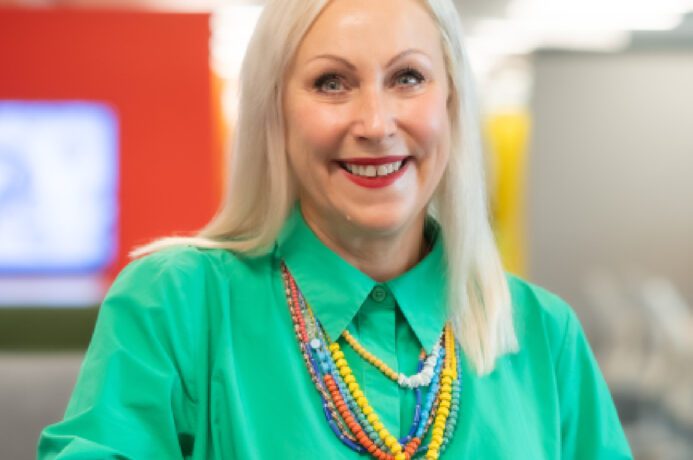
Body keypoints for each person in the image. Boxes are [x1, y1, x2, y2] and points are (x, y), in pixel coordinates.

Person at [38, 0, 633, 458]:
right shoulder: (179, 303)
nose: (376, 123)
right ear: (275, 111)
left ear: (452, 102)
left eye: (408, 77)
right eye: (332, 83)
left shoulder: (543, 333)